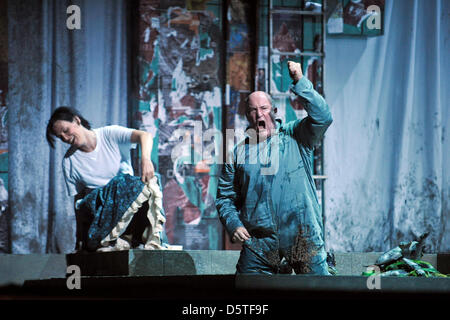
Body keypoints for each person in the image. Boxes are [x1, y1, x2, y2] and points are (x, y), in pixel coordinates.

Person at [216, 61, 333, 275]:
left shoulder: (296, 135)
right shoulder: (237, 153)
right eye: (252, 110)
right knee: (248, 296)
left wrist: (300, 81)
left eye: (263, 108)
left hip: (302, 235)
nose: (259, 115)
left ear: (274, 111)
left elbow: (323, 117)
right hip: (260, 242)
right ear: (246, 116)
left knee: (319, 294)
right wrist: (234, 224)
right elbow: (225, 198)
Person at [46, 107, 166, 252]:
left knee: (144, 182)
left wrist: (145, 160)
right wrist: (79, 238)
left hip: (128, 200)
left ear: (76, 120)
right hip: (101, 213)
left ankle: (141, 239)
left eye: (65, 131)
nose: (65, 138)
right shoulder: (69, 162)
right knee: (100, 193)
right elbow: (78, 201)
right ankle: (112, 240)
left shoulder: (109, 134)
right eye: (60, 137)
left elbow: (145, 136)